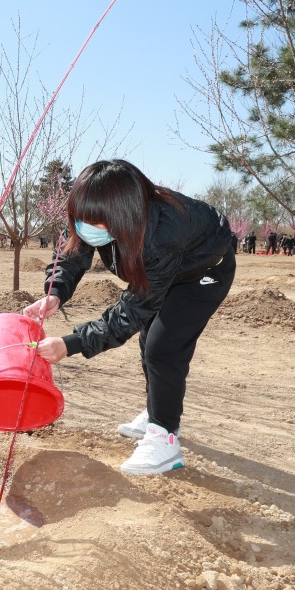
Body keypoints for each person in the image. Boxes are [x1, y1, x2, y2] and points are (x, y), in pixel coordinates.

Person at [22, 159, 235, 476]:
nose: (84, 227)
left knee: (163, 347)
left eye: (96, 223)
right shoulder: (101, 217)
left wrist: (72, 344)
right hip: (166, 270)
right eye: (79, 219)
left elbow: (133, 310)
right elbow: (72, 249)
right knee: (151, 340)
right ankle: (155, 413)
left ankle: (165, 439)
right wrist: (56, 290)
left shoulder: (162, 234)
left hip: (203, 272)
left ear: (124, 217)